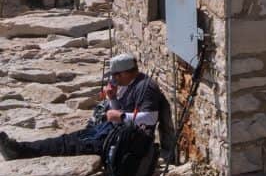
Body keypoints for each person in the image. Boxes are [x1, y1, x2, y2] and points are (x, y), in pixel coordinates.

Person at [0, 53, 167, 160]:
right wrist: (112, 97)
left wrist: (121, 116)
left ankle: (20, 152)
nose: (114, 80)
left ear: (125, 72)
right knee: (67, 139)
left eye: (116, 76)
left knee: (69, 146)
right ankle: (20, 148)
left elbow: (150, 118)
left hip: (125, 140)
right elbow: (118, 111)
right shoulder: (131, 82)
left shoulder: (146, 87)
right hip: (114, 131)